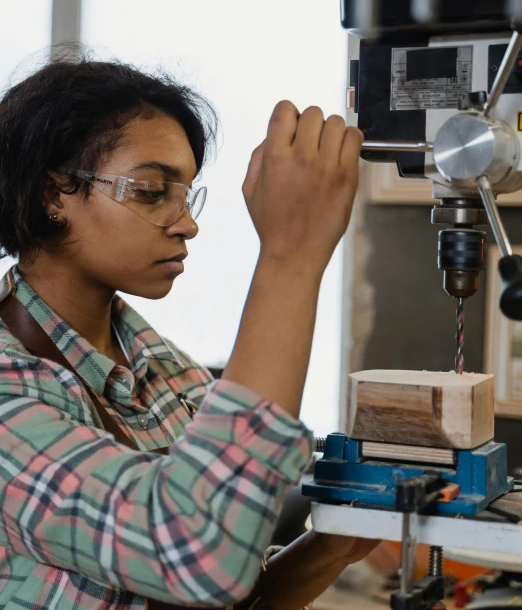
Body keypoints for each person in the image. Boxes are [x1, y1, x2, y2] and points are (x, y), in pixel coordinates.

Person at [0, 55, 376, 610]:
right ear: (54, 195)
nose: (187, 223)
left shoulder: (167, 369)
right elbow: (198, 555)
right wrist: (291, 253)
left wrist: (332, 546)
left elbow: (222, 596)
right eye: (151, 191)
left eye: (186, 194)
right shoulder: (12, 389)